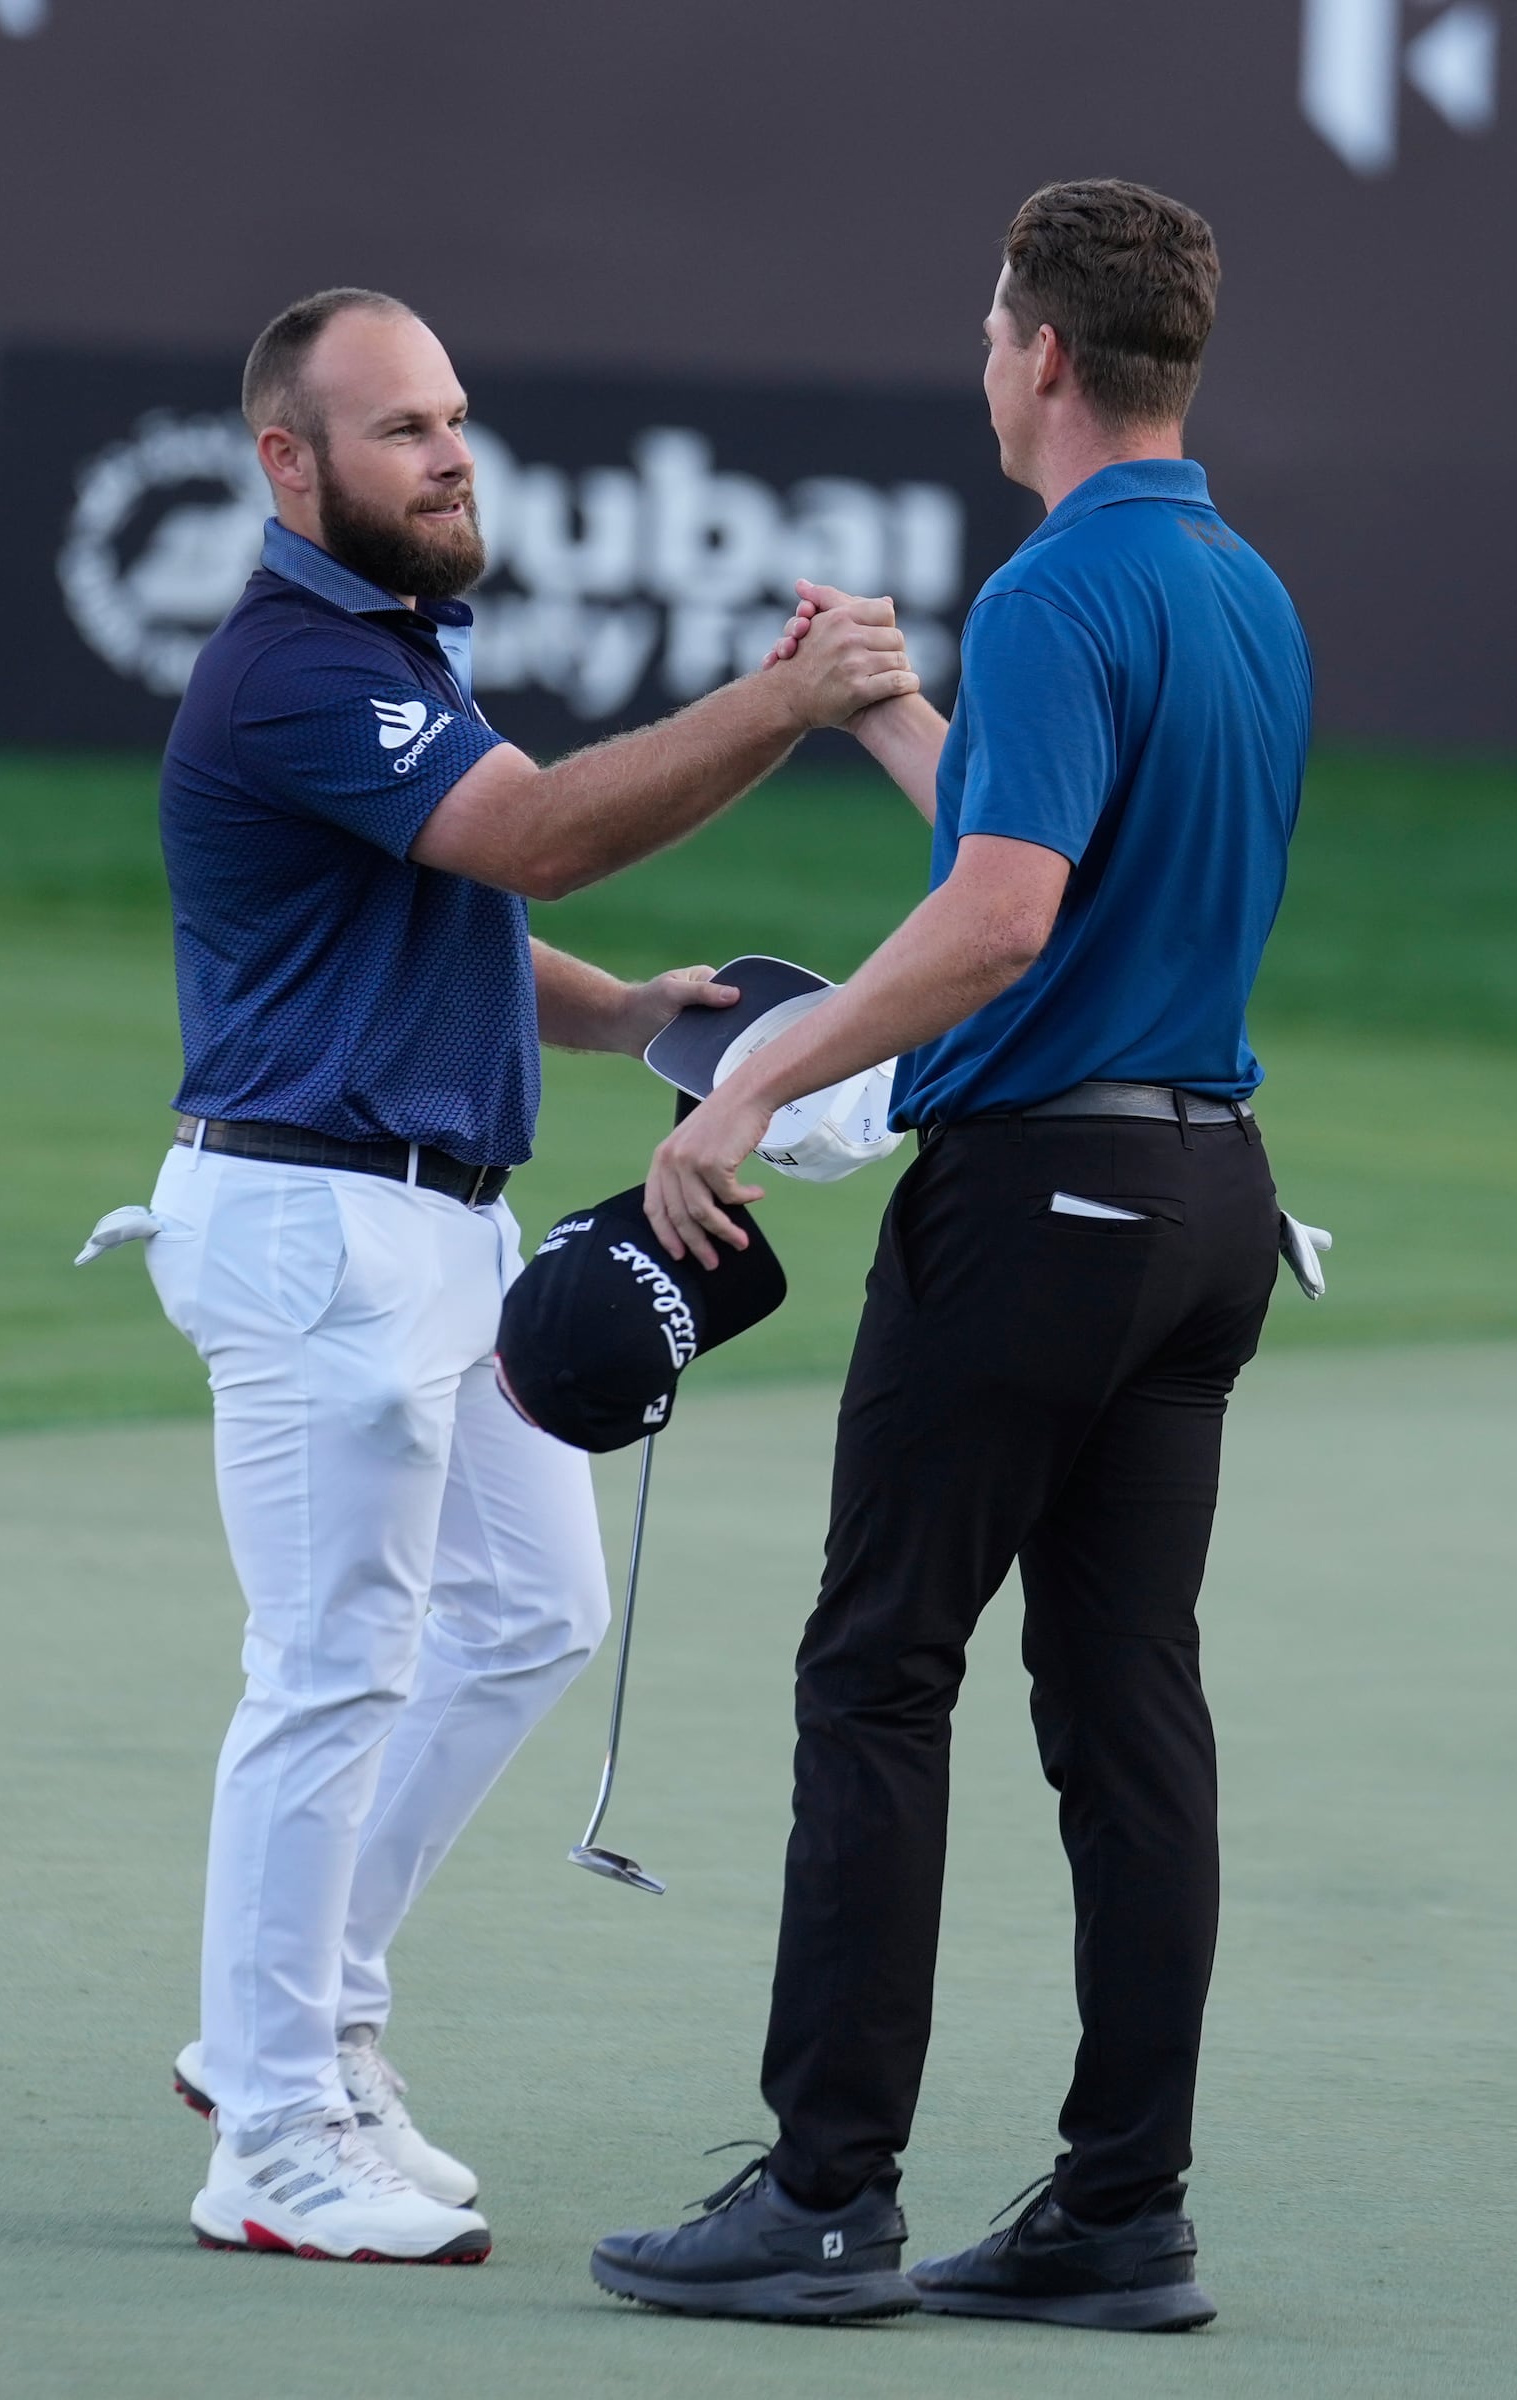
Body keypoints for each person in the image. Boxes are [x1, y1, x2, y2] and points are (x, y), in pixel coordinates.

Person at [592, 179, 1312, 2330]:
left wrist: (752, 1076)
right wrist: (893, 713)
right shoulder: (1240, 588)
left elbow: (1003, 924)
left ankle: (823, 2195)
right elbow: (1053, 861)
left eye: (989, 328)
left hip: (1037, 1209)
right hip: (1205, 1207)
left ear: (1039, 358)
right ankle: (1121, 2212)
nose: (981, 358)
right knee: (1123, 1705)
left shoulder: (1051, 588)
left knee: (877, 1669)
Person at [142, 285, 918, 2266]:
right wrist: (785, 702)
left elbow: (462, 907)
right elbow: (540, 839)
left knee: (521, 1616)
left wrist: (632, 1014)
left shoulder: (392, 648)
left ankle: (307, 2026)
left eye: (454, 416)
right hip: (317, 1223)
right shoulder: (298, 665)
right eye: (402, 428)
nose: (450, 451)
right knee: (328, 1666)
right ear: (289, 466)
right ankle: (271, 2123)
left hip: (427, 1221)